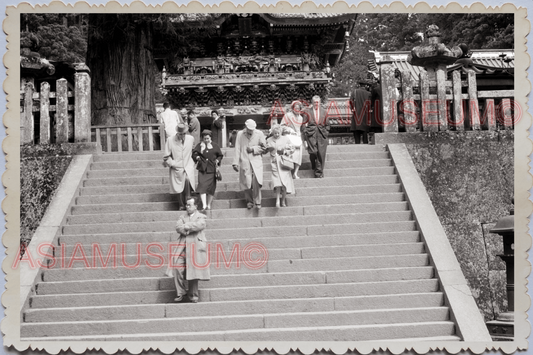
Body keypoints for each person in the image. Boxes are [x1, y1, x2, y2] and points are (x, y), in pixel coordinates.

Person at [166, 196, 210, 303]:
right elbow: (178, 227)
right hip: (182, 247)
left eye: (190, 205)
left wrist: (186, 226)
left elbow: (199, 225)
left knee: (194, 271)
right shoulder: (182, 216)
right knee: (177, 267)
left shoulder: (201, 216)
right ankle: (180, 292)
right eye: (187, 204)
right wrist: (188, 228)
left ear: (196, 206)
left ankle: (193, 295)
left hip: (195, 247)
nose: (187, 207)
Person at [232, 119, 267, 209]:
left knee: (256, 180)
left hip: (256, 160)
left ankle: (258, 201)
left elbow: (265, 148)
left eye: (252, 129)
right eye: (249, 129)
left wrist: (253, 149)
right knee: (246, 182)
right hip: (245, 160)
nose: (250, 131)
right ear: (246, 127)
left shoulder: (259, 134)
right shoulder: (240, 134)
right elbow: (237, 148)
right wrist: (235, 162)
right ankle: (249, 201)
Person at [163, 123, 196, 211]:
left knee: (188, 181)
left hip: (188, 165)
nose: (182, 136)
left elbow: (194, 151)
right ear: (177, 133)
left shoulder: (191, 139)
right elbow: (166, 156)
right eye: (181, 134)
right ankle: (181, 204)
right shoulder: (170, 140)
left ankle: (188, 203)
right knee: (179, 186)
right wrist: (173, 163)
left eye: (184, 134)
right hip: (177, 166)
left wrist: (194, 160)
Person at [192, 130, 223, 211]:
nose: (206, 140)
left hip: (212, 169)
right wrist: (197, 157)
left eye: (208, 138)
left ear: (210, 138)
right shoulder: (199, 145)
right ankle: (204, 205)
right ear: (202, 138)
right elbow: (194, 153)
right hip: (202, 169)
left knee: (211, 188)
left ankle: (209, 205)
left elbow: (220, 155)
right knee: (202, 186)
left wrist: (217, 160)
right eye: (205, 138)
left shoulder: (215, 146)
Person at [266, 125, 295, 207]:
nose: (276, 135)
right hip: (274, 162)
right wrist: (268, 148)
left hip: (284, 163)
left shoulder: (285, 139)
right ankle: (278, 200)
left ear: (281, 132)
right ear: (272, 133)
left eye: (278, 133)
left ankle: (283, 200)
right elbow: (265, 148)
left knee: (285, 183)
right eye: (275, 133)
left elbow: (292, 149)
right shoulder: (269, 140)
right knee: (277, 182)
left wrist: (285, 151)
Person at [303, 95, 330, 178]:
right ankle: (314, 164)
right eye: (314, 102)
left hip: (322, 134)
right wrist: (305, 132)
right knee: (313, 152)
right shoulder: (307, 111)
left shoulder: (324, 111)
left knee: (321, 153)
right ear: (312, 102)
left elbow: (327, 124)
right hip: (311, 134)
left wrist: (326, 132)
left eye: (317, 102)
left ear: (320, 102)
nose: (316, 103)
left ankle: (319, 172)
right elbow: (304, 124)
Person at [281, 100, 305, 179]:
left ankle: (295, 173)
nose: (297, 110)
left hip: (298, 137)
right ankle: (288, 172)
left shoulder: (301, 118)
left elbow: (302, 128)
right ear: (293, 108)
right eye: (295, 108)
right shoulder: (287, 115)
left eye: (299, 108)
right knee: (290, 155)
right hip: (289, 137)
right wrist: (289, 130)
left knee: (298, 156)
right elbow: (282, 126)